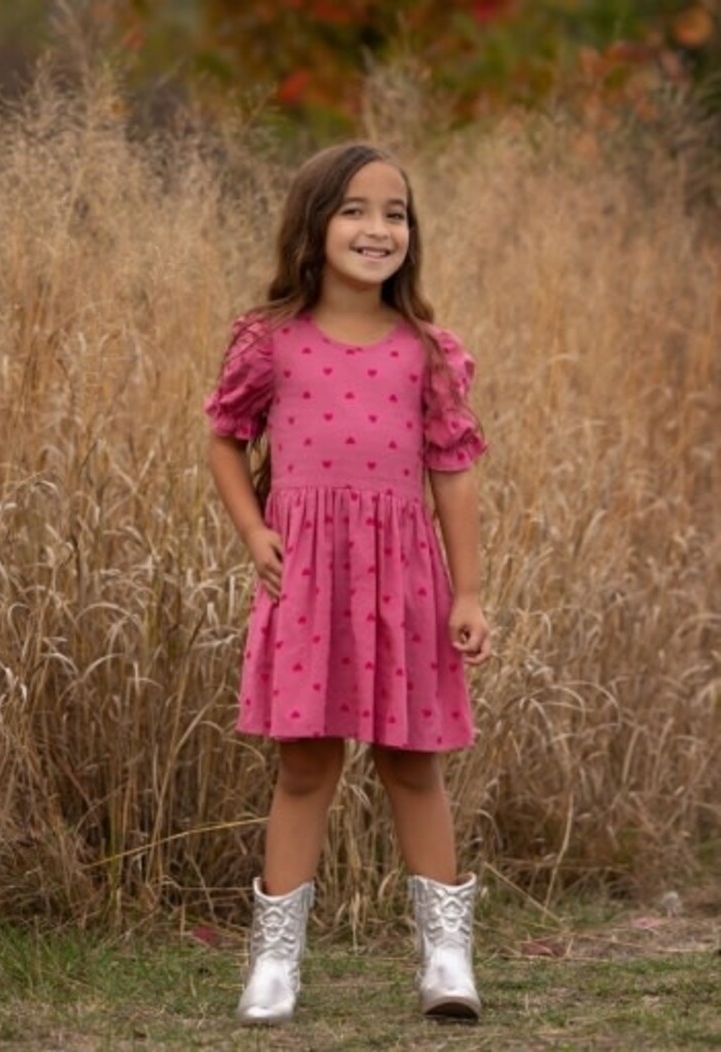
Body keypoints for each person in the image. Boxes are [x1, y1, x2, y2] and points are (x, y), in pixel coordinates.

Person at [204, 141, 491, 1026]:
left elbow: (453, 472)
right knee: (304, 766)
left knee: (415, 764)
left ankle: (446, 957)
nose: (377, 228)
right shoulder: (271, 340)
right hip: (308, 582)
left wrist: (469, 592)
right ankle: (275, 964)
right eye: (356, 210)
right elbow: (223, 436)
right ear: (315, 223)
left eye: (395, 213)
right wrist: (255, 531)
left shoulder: (428, 351)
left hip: (404, 582)